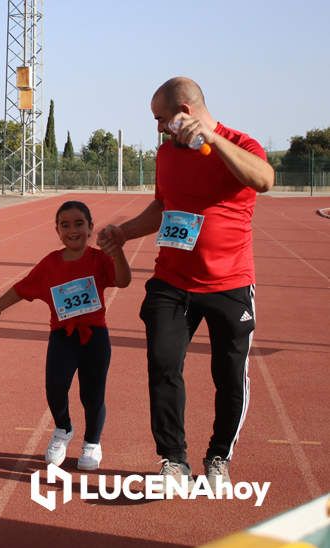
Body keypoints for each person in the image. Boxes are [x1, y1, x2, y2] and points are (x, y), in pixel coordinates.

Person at [97, 76, 274, 484]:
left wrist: (214, 140)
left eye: (161, 119)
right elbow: (163, 205)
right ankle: (173, 461)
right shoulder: (167, 155)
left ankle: (218, 458)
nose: (158, 128)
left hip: (230, 284)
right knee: (163, 365)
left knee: (229, 376)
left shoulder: (241, 144)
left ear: (186, 113)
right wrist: (123, 232)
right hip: (172, 281)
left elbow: (263, 180)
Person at [0, 201, 130, 470]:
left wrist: (117, 253)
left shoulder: (99, 259)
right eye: (65, 225)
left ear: (90, 227)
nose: (72, 230)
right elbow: (22, 289)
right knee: (55, 388)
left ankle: (92, 443)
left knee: (92, 394)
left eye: (79, 224)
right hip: (62, 337)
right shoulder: (50, 263)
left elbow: (122, 280)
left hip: (95, 337)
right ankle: (63, 429)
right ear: (57, 230)